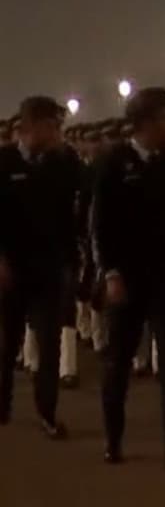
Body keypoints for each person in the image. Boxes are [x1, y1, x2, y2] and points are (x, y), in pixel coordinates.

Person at [94, 87, 165, 471]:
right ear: (146, 124)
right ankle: (113, 439)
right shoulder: (114, 162)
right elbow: (101, 223)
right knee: (118, 363)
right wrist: (111, 273)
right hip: (127, 278)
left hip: (164, 276)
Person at [0, 96, 79, 439]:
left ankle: (47, 412)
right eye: (51, 125)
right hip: (11, 268)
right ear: (31, 126)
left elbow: (70, 216)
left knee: (49, 345)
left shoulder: (61, 164)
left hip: (48, 269)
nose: (56, 131)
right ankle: (2, 403)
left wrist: (71, 262)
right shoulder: (4, 161)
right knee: (7, 342)